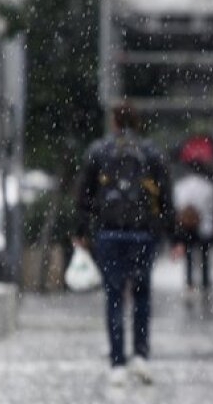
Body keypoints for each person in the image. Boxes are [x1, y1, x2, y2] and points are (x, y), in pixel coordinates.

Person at [75, 102, 175, 387]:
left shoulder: (99, 151)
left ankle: (117, 363)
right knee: (142, 295)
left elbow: (84, 195)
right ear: (137, 122)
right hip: (143, 234)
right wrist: (172, 234)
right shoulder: (151, 153)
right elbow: (166, 195)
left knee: (114, 297)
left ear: (114, 123)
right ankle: (141, 356)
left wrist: (81, 231)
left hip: (109, 234)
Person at [173, 161, 213, 302]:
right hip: (204, 226)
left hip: (187, 226)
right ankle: (205, 283)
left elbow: (177, 204)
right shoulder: (208, 186)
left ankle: (189, 283)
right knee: (204, 256)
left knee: (188, 256)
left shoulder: (181, 186)